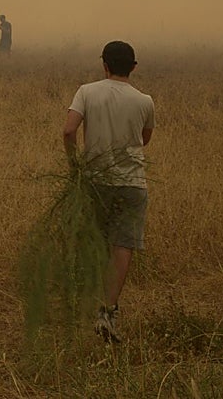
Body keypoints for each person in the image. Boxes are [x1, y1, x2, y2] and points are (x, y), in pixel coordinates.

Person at [62, 40, 155, 344]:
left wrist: (74, 163)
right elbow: (144, 139)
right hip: (132, 183)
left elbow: (68, 130)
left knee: (95, 239)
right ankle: (107, 312)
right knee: (123, 244)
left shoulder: (87, 91)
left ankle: (83, 299)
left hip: (95, 179)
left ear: (104, 65)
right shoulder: (145, 100)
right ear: (134, 67)